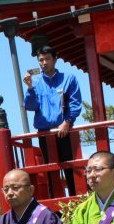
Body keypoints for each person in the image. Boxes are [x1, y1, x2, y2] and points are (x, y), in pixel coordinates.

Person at [23, 45, 83, 196]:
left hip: (65, 130)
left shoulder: (69, 78)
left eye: (47, 59)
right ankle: (57, 212)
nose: (44, 63)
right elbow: (30, 106)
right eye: (41, 60)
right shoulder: (35, 82)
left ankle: (76, 202)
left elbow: (75, 103)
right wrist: (29, 88)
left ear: (55, 59)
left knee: (72, 170)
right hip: (45, 134)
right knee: (50, 172)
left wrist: (67, 121)